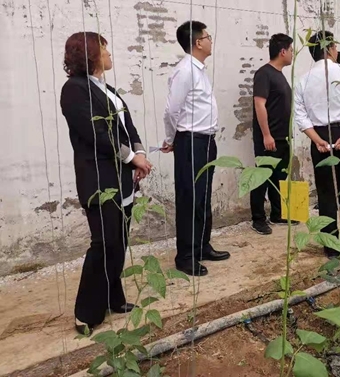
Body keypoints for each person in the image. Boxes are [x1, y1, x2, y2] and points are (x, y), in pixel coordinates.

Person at [60, 32, 153, 336]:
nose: (109, 53)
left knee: (119, 241)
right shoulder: (74, 90)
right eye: (104, 48)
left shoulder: (107, 89)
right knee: (103, 243)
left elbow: (127, 126)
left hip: (121, 177)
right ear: (90, 54)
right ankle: (86, 313)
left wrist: (139, 153)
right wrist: (133, 159)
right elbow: (96, 134)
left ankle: (114, 297)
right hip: (99, 179)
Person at [161, 21, 230, 277]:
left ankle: (202, 245)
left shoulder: (199, 70)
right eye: (208, 37)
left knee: (203, 195)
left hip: (205, 141)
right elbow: (171, 110)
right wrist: (171, 139)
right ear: (198, 42)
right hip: (190, 141)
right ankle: (186, 256)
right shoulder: (185, 71)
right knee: (190, 198)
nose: (211, 41)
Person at [294, 30, 340, 258]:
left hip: (320, 136)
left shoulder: (303, 80)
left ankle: (331, 243)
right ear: (331, 49)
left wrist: (317, 140)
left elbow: (301, 116)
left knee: (326, 191)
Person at [250, 33, 297, 235]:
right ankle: (258, 219)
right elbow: (259, 104)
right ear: (282, 51)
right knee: (261, 178)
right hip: (269, 137)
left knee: (279, 177)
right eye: (291, 50)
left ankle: (278, 213)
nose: (293, 54)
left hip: (282, 137)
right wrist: (266, 135)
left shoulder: (279, 75)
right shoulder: (264, 74)